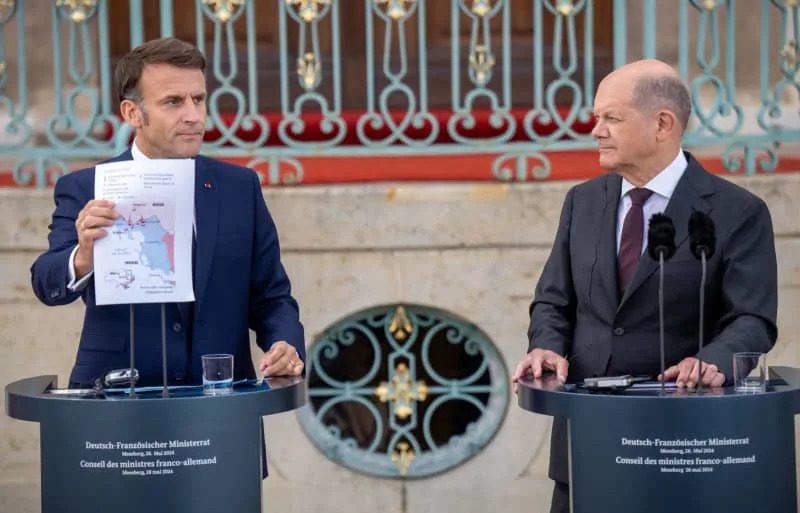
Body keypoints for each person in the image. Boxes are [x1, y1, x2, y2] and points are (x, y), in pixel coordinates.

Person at [511, 59, 778, 513]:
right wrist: (546, 346)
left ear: (662, 124)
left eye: (611, 118)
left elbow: (751, 319)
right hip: (586, 446)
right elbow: (553, 302)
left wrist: (711, 362)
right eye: (597, 117)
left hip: (685, 448)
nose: (596, 130)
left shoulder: (737, 211)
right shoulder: (582, 201)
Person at [31, 37, 305, 389]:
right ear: (132, 113)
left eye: (199, 99)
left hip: (222, 401)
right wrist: (84, 256)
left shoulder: (240, 187)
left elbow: (272, 296)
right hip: (115, 402)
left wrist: (286, 344)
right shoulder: (87, 187)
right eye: (173, 102)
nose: (193, 116)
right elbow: (45, 281)